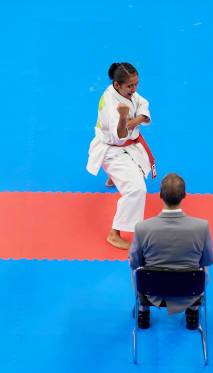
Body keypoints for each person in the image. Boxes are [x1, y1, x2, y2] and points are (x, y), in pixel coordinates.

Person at [129, 173, 213, 330]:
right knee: (203, 269)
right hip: (190, 291)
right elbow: (209, 260)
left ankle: (143, 311)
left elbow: (134, 262)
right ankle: (193, 313)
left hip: (152, 292)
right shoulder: (202, 227)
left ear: (160, 195)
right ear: (184, 196)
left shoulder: (142, 228)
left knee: (136, 269)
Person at [86, 62, 156, 250]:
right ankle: (114, 233)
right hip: (112, 150)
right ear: (117, 84)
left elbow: (142, 103)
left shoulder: (124, 92)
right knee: (137, 190)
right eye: (130, 86)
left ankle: (113, 177)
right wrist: (125, 119)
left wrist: (136, 119)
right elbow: (121, 134)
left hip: (125, 146)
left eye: (136, 84)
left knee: (141, 168)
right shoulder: (112, 105)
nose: (134, 89)